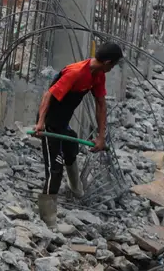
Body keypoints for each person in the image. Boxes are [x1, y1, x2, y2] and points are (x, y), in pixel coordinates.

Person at [32, 42, 123, 226]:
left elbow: (100, 105)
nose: (112, 69)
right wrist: (40, 123)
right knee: (55, 170)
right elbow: (47, 96)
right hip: (50, 124)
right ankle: (47, 221)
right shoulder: (75, 72)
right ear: (106, 62)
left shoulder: (98, 75)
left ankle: (76, 191)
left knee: (72, 146)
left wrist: (101, 136)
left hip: (62, 124)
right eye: (113, 65)